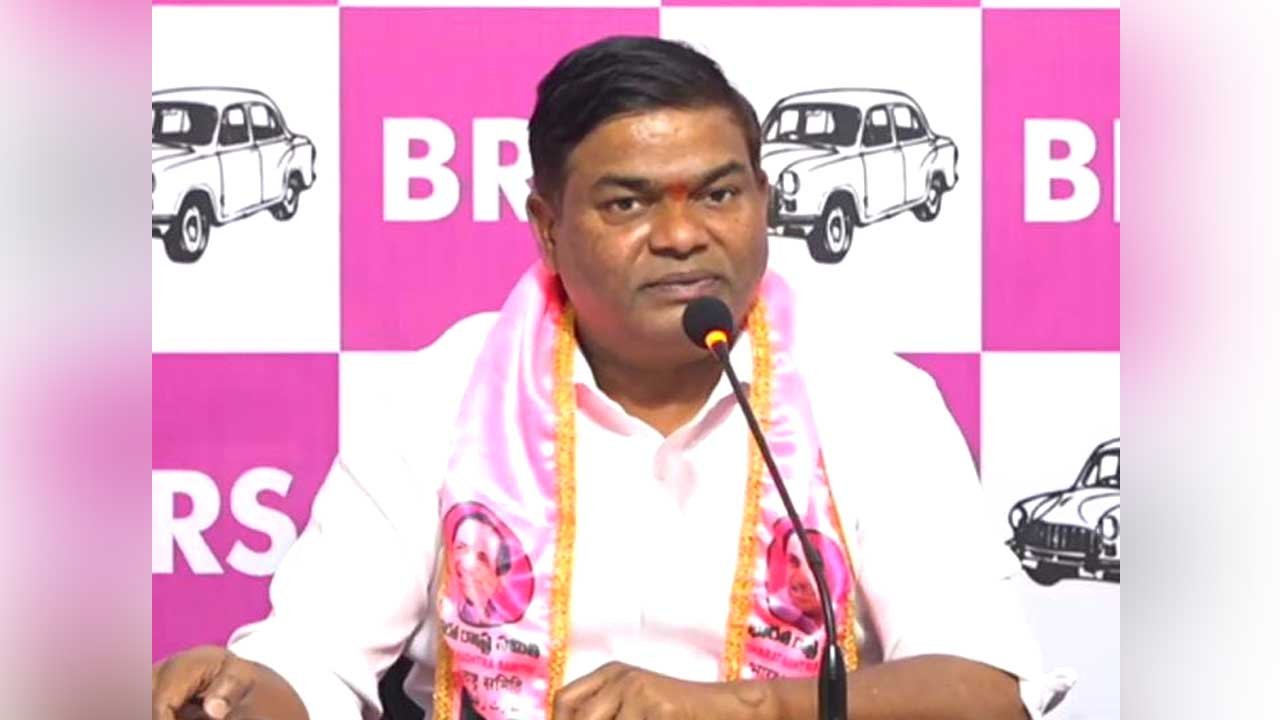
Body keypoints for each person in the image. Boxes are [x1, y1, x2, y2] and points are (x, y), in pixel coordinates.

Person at [151, 36, 1072, 720]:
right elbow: (316, 657)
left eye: (719, 194)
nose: (682, 236)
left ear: (765, 203)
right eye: (628, 203)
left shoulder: (871, 398)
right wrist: (235, 696)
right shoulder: (445, 392)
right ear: (547, 228)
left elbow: (986, 689)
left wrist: (731, 709)